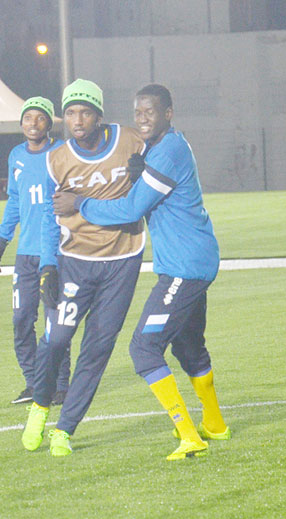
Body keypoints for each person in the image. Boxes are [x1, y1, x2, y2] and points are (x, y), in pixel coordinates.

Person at [53, 84, 229, 461]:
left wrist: (79, 203)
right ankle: (214, 424)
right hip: (192, 261)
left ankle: (189, 436)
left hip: (184, 267)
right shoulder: (161, 147)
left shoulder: (168, 151)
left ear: (168, 113)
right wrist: (140, 170)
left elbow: (131, 209)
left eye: (151, 112)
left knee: (144, 348)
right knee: (188, 346)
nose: (143, 119)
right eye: (138, 113)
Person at [20, 78, 146, 457]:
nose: (77, 120)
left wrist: (146, 170)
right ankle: (40, 405)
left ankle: (65, 429)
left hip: (123, 262)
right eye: (71, 112)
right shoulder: (56, 159)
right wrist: (48, 266)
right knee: (56, 339)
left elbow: (163, 162)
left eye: (85, 112)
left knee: (97, 349)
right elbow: (49, 216)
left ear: (98, 115)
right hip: (75, 262)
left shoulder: (130, 141)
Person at [0, 96, 70, 406]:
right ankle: (34, 383)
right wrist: (0, 242)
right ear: (21, 123)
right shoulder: (16, 156)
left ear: (49, 123)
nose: (33, 123)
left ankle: (61, 385)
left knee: (55, 323)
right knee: (22, 319)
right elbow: (15, 199)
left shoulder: (62, 153)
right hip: (25, 256)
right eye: (28, 118)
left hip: (57, 253)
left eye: (40, 118)